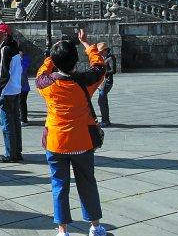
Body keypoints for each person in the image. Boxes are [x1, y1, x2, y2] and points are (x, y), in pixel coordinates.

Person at [35, 30, 107, 236]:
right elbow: (100, 67)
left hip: (56, 142)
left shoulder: (46, 84)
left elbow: (40, 73)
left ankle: (62, 230)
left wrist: (52, 56)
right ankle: (94, 226)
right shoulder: (85, 81)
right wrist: (86, 45)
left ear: (57, 63)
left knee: (59, 185)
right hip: (82, 142)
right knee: (87, 183)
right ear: (76, 62)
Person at [0, 23, 23, 163]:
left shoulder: (5, 49)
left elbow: (4, 73)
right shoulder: (14, 47)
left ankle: (10, 153)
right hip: (16, 88)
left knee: (7, 124)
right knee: (15, 121)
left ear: (5, 34)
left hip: (7, 90)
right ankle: (17, 151)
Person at [97, 42, 116, 128]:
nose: (100, 53)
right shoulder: (104, 57)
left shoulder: (111, 58)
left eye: (101, 51)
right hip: (102, 82)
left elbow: (113, 70)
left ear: (105, 50)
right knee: (102, 101)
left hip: (107, 82)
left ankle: (105, 121)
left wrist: (104, 72)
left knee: (102, 101)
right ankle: (105, 120)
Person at [19, 47, 32, 126]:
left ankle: (24, 119)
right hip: (16, 85)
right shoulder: (15, 60)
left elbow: (23, 69)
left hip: (24, 86)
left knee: (22, 102)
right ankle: (19, 118)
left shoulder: (25, 59)